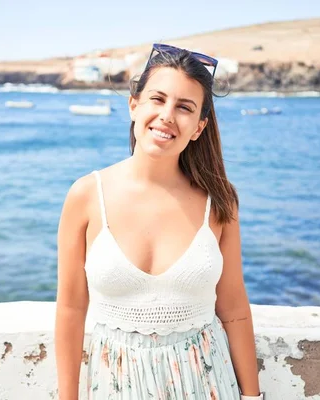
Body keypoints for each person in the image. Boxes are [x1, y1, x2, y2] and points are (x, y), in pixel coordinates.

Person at [55, 43, 262, 400]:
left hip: (206, 384)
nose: (167, 115)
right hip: (116, 384)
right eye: (157, 99)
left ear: (198, 127)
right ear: (133, 105)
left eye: (184, 108)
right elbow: (71, 309)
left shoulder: (219, 202)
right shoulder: (87, 196)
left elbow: (234, 309)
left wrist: (252, 397)